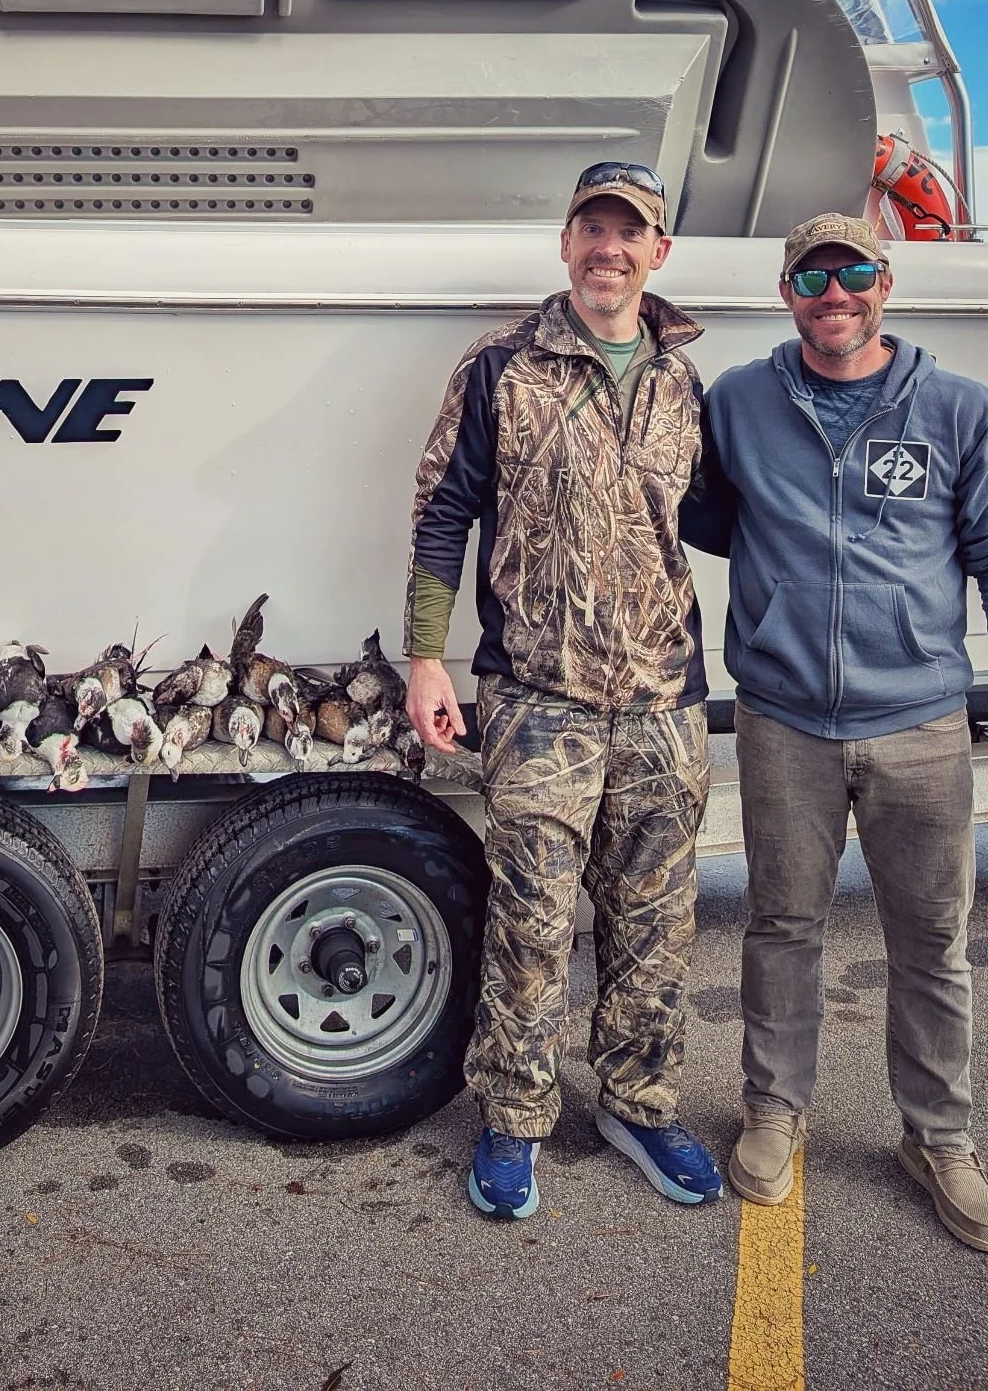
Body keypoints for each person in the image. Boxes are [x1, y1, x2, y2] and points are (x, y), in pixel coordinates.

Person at [689, 212, 988, 1253]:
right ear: (787, 290)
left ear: (885, 284)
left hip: (923, 724)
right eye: (811, 275)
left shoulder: (959, 411)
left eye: (852, 273)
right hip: (783, 719)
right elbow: (706, 516)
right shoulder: (740, 404)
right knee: (782, 925)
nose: (832, 292)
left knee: (932, 943)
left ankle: (939, 1140)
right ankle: (772, 1111)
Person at [405, 162, 723, 1220]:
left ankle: (637, 1102)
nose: (609, 248)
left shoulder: (687, 381)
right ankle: (514, 1120)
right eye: (593, 228)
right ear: (566, 242)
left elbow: (723, 521)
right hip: (538, 699)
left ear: (659, 253)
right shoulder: (503, 366)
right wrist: (426, 655)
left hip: (665, 700)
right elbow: (443, 512)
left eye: (630, 233)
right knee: (531, 923)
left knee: (655, 921)